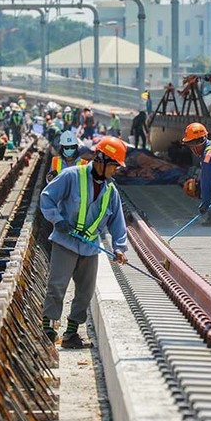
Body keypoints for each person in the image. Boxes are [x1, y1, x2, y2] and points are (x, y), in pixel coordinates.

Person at [40, 136, 130, 349]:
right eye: (115, 165)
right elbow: (47, 197)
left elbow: (118, 222)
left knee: (85, 292)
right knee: (57, 286)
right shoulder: (71, 176)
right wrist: (57, 219)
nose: (116, 170)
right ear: (102, 160)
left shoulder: (110, 190)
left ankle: (71, 334)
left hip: (89, 246)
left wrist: (119, 248)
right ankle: (47, 331)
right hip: (65, 242)